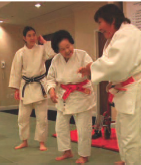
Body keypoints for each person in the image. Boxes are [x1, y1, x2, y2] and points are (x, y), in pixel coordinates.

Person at [78, 4, 141, 165]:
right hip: (131, 88)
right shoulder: (118, 36)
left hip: (139, 88)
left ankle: (135, 162)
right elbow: (116, 64)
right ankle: (127, 160)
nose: (100, 28)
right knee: (124, 130)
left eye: (101, 22)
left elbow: (115, 64)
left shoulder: (127, 34)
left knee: (136, 136)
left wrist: (91, 68)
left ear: (113, 19)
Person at [47, 30, 96, 164]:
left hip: (82, 95)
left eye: (68, 46)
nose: (67, 50)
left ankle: (84, 155)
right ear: (58, 51)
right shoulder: (56, 60)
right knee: (60, 126)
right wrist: (51, 90)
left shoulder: (82, 55)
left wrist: (90, 69)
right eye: (63, 49)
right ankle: (66, 151)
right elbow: (50, 78)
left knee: (83, 128)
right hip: (64, 96)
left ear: (72, 42)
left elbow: (93, 69)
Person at [9, 26, 56, 151]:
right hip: (26, 86)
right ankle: (24, 140)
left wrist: (45, 42)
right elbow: (15, 71)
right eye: (29, 35)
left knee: (42, 117)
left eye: (34, 35)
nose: (32, 37)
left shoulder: (41, 49)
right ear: (24, 38)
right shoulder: (20, 53)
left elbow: (53, 53)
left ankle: (41, 142)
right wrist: (16, 89)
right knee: (23, 117)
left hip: (40, 85)